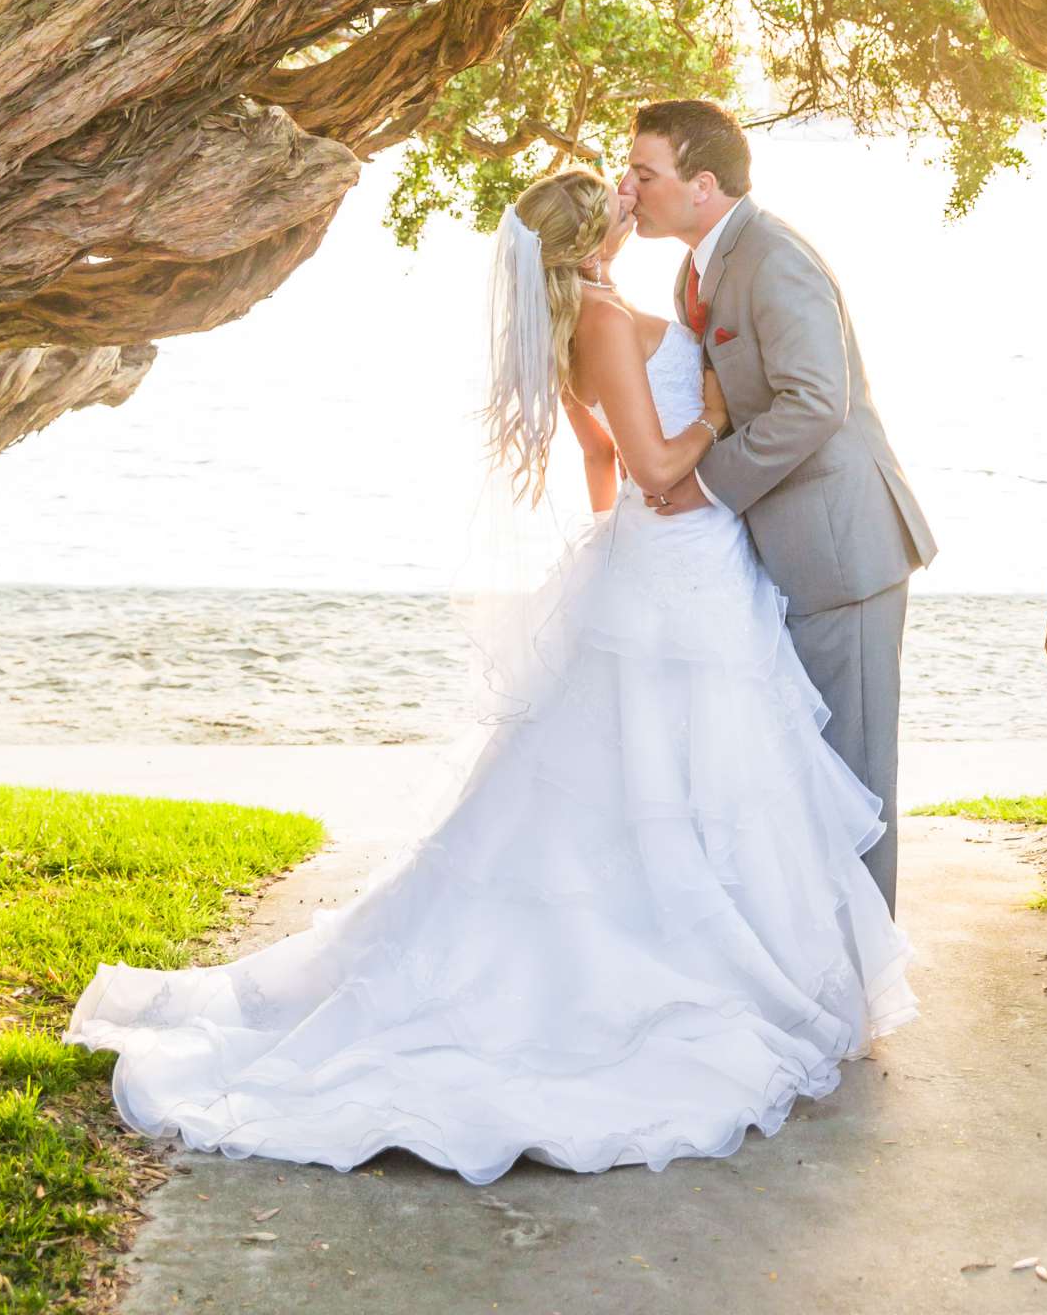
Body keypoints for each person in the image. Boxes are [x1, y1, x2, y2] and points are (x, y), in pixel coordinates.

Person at [62, 164, 915, 1181]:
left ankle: (736, 945)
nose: (627, 195)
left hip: (673, 563)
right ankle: (694, 965)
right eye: (615, 190)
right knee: (679, 771)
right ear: (587, 235)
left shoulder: (594, 314)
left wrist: (620, 556)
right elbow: (646, 465)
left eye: (634, 178)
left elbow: (604, 464)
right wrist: (718, 415)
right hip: (679, 551)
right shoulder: (601, 318)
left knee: (686, 775)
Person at [621, 100, 936, 913]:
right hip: (773, 559)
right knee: (799, 780)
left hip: (842, 553)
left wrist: (706, 481)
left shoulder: (775, 258)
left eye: (644, 174)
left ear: (702, 183)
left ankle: (865, 985)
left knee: (853, 784)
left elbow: (814, 402)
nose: (630, 188)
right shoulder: (696, 269)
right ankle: (813, 961)